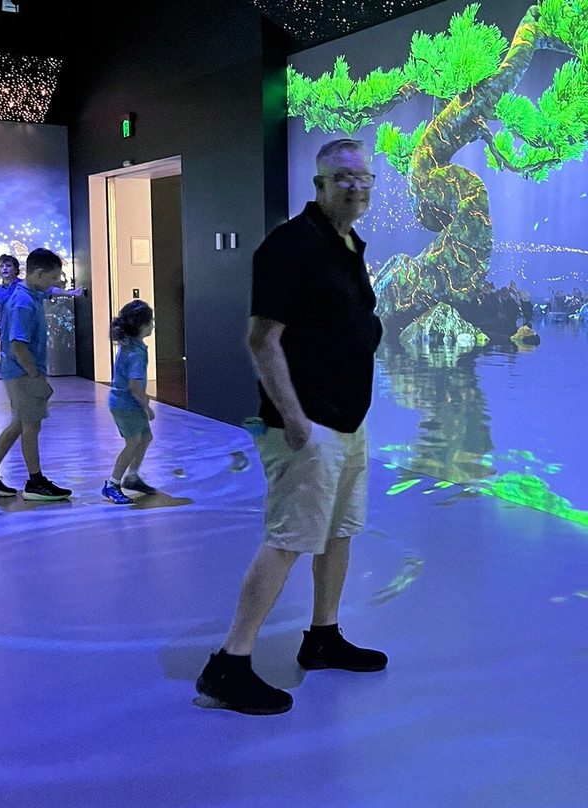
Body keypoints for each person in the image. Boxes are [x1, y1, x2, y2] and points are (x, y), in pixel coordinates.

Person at [195, 139, 386, 715]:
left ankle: (323, 637)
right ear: (320, 184)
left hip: (347, 420)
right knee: (288, 540)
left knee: (339, 532)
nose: (355, 186)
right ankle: (229, 664)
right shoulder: (291, 245)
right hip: (307, 425)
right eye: (342, 177)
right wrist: (296, 419)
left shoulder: (349, 244)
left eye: (363, 177)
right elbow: (263, 339)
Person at [0, 248, 72, 500]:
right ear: (38, 274)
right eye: (53, 278)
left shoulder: (30, 294)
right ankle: (35, 481)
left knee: (19, 423)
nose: (56, 283)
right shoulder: (22, 302)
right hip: (22, 372)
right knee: (31, 425)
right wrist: (34, 375)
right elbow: (17, 343)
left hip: (19, 371)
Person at [102, 300, 157, 504]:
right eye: (150, 321)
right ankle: (113, 484)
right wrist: (146, 406)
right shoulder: (135, 353)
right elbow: (134, 386)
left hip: (127, 403)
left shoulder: (132, 345)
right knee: (132, 443)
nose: (153, 324)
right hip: (126, 405)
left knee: (145, 437)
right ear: (140, 326)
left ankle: (132, 477)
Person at [0, 253, 84, 351]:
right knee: (10, 362)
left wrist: (70, 293)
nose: (4, 268)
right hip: (7, 339)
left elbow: (50, 290)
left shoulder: (27, 286)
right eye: (1, 266)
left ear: (16, 269)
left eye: (8, 266)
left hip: (29, 336)